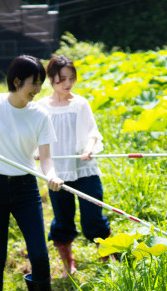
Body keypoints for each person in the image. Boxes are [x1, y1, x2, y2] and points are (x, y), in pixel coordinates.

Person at [0, 55, 64, 291]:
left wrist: (52, 176)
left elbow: (46, 158)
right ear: (17, 81)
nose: (38, 89)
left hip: (26, 189)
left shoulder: (40, 115)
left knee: (38, 251)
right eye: (34, 83)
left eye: (40, 83)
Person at [36, 55, 114, 278]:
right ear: (51, 79)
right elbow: (35, 138)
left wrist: (89, 148)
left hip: (83, 168)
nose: (68, 84)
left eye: (71, 78)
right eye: (62, 79)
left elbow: (92, 131)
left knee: (93, 215)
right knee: (63, 218)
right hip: (57, 171)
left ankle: (107, 257)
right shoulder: (41, 107)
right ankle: (68, 262)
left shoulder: (80, 103)